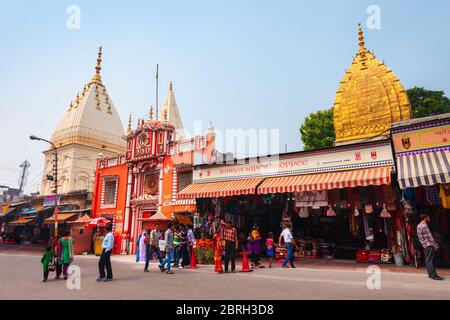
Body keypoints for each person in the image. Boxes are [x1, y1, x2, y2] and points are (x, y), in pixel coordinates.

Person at [417, 214, 443, 280]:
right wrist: (435, 245)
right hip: (429, 244)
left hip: (426, 245)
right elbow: (430, 236)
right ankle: (433, 275)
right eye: (428, 217)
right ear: (425, 218)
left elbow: (420, 237)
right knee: (430, 260)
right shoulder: (424, 225)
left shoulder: (419, 225)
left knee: (428, 260)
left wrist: (423, 244)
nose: (429, 218)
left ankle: (431, 275)